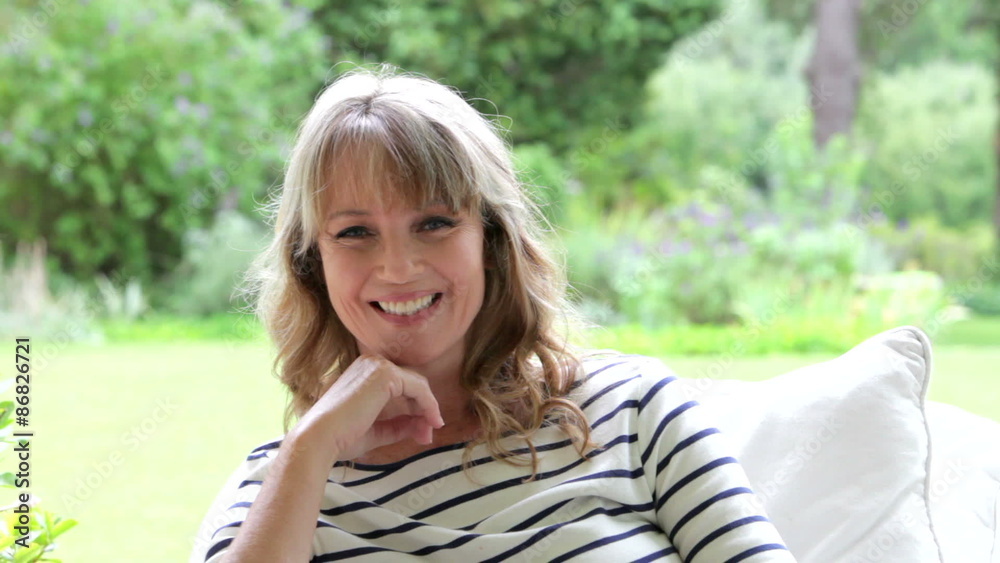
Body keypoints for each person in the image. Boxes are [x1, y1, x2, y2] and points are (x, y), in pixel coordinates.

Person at [190, 64, 796, 562]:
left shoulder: (633, 408)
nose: (397, 267)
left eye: (434, 222)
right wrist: (311, 447)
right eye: (354, 232)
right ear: (311, 262)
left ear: (492, 239)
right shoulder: (284, 484)